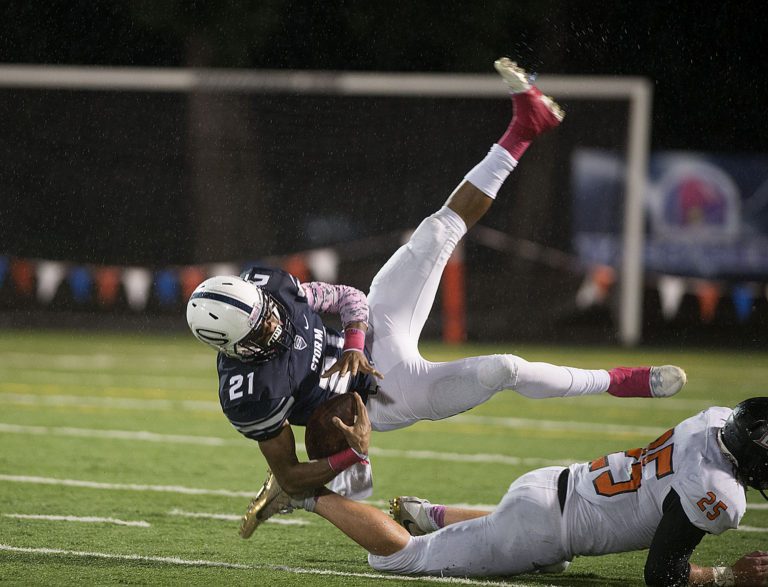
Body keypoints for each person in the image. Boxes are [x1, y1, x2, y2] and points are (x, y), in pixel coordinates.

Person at [185, 58, 687, 536]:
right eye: (262, 333)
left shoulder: (271, 286)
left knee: (437, 230)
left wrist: (357, 343)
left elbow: (346, 297)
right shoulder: (248, 395)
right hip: (379, 400)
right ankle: (617, 381)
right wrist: (350, 452)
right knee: (504, 369)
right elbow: (292, 471)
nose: (275, 325)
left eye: (270, 317)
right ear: (234, 349)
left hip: (376, 337)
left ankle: (525, 127)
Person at [294, 394, 768, 586]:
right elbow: (663, 574)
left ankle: (430, 513)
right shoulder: (717, 492)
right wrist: (729, 576)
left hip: (553, 485)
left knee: (555, 562)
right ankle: (305, 494)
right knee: (400, 559)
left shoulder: (715, 420)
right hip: (543, 524)